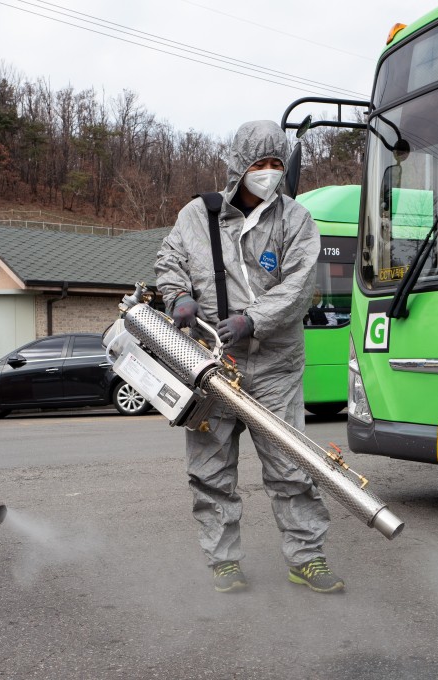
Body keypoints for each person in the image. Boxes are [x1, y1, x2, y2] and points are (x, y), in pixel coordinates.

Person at [156, 119, 344, 594]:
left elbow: (300, 286)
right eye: (259, 164)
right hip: (212, 362)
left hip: (276, 363)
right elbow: (170, 259)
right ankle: (223, 561)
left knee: (292, 464)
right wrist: (178, 295)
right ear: (239, 165)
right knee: (211, 468)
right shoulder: (197, 216)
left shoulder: (295, 220)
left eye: (276, 164)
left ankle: (307, 557)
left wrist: (252, 319)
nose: (268, 173)